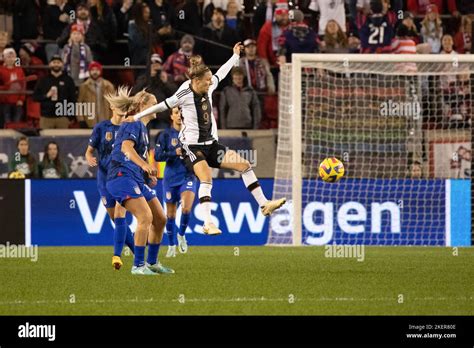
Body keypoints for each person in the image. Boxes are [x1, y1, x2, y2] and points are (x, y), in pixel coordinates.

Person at [131, 42, 286, 235]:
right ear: (196, 80)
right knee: (206, 179)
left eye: (210, 80)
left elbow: (222, 72)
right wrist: (137, 116)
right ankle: (207, 223)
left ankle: (264, 204)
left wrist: (235, 56)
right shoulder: (184, 92)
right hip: (192, 146)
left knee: (245, 165)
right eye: (206, 81)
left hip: (211, 144)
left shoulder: (209, 85)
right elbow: (162, 105)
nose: (210, 83)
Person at [106, 88, 174, 275]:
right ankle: (138, 266)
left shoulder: (143, 128)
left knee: (160, 219)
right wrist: (145, 165)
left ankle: (151, 262)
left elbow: (132, 154)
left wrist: (146, 176)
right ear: (142, 105)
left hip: (134, 178)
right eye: (154, 103)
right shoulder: (133, 123)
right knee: (145, 217)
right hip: (121, 177)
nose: (157, 106)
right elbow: (126, 149)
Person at [85, 86, 135, 270]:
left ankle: (117, 255)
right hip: (104, 178)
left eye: (125, 106)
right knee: (116, 219)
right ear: (112, 108)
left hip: (122, 177)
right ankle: (139, 255)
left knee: (121, 215)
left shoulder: (130, 127)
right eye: (118, 105)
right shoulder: (101, 127)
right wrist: (90, 158)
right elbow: (89, 151)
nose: (122, 109)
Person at [155, 107, 197, 257]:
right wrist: (174, 152)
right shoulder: (165, 135)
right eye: (176, 113)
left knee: (186, 208)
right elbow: (157, 156)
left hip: (188, 176)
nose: (180, 115)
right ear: (171, 116)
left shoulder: (193, 133)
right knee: (170, 215)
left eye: (182, 113)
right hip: (170, 178)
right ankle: (171, 245)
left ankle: (181, 234)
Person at [131, 53, 178, 128]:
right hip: (146, 115)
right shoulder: (143, 78)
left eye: (157, 63)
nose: (155, 65)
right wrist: (149, 77)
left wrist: (165, 82)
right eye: (152, 63)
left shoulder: (166, 78)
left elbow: (175, 95)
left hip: (162, 116)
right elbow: (135, 92)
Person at [32, 55, 77, 129]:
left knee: (63, 140)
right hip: (46, 117)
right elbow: (35, 97)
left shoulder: (68, 80)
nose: (56, 64)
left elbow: (73, 99)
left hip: (63, 117)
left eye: (58, 62)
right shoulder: (43, 80)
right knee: (45, 140)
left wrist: (71, 116)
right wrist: (46, 96)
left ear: (62, 64)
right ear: (50, 64)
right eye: (54, 62)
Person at [77, 61, 115, 128]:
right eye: (92, 70)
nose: (95, 72)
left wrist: (114, 119)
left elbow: (114, 104)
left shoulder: (108, 86)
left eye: (97, 70)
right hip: (89, 121)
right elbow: (79, 104)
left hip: (106, 120)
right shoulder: (84, 86)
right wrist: (81, 120)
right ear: (89, 71)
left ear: (100, 71)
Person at [257, 0, 289, 68]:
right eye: (280, 15)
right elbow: (261, 47)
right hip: (272, 64)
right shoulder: (267, 27)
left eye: (285, 15)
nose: (283, 17)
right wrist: (265, 63)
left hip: (291, 62)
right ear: (275, 15)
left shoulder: (293, 26)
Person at [0, 48, 26, 125]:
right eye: (8, 57)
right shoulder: (0, 70)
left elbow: (23, 85)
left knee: (16, 123)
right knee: (6, 122)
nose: (11, 59)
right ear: (4, 58)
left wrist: (21, 99)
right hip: (4, 102)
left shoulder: (19, 70)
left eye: (13, 57)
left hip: (17, 101)